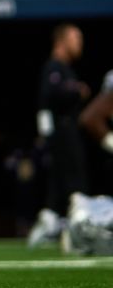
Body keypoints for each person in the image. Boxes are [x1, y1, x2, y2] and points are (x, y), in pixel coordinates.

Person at [29, 24, 90, 246]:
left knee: (59, 186)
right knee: (74, 184)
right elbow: (47, 99)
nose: (79, 43)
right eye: (76, 38)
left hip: (64, 132)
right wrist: (76, 90)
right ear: (62, 41)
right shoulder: (54, 67)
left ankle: (50, 227)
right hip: (62, 133)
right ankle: (80, 231)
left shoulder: (64, 68)